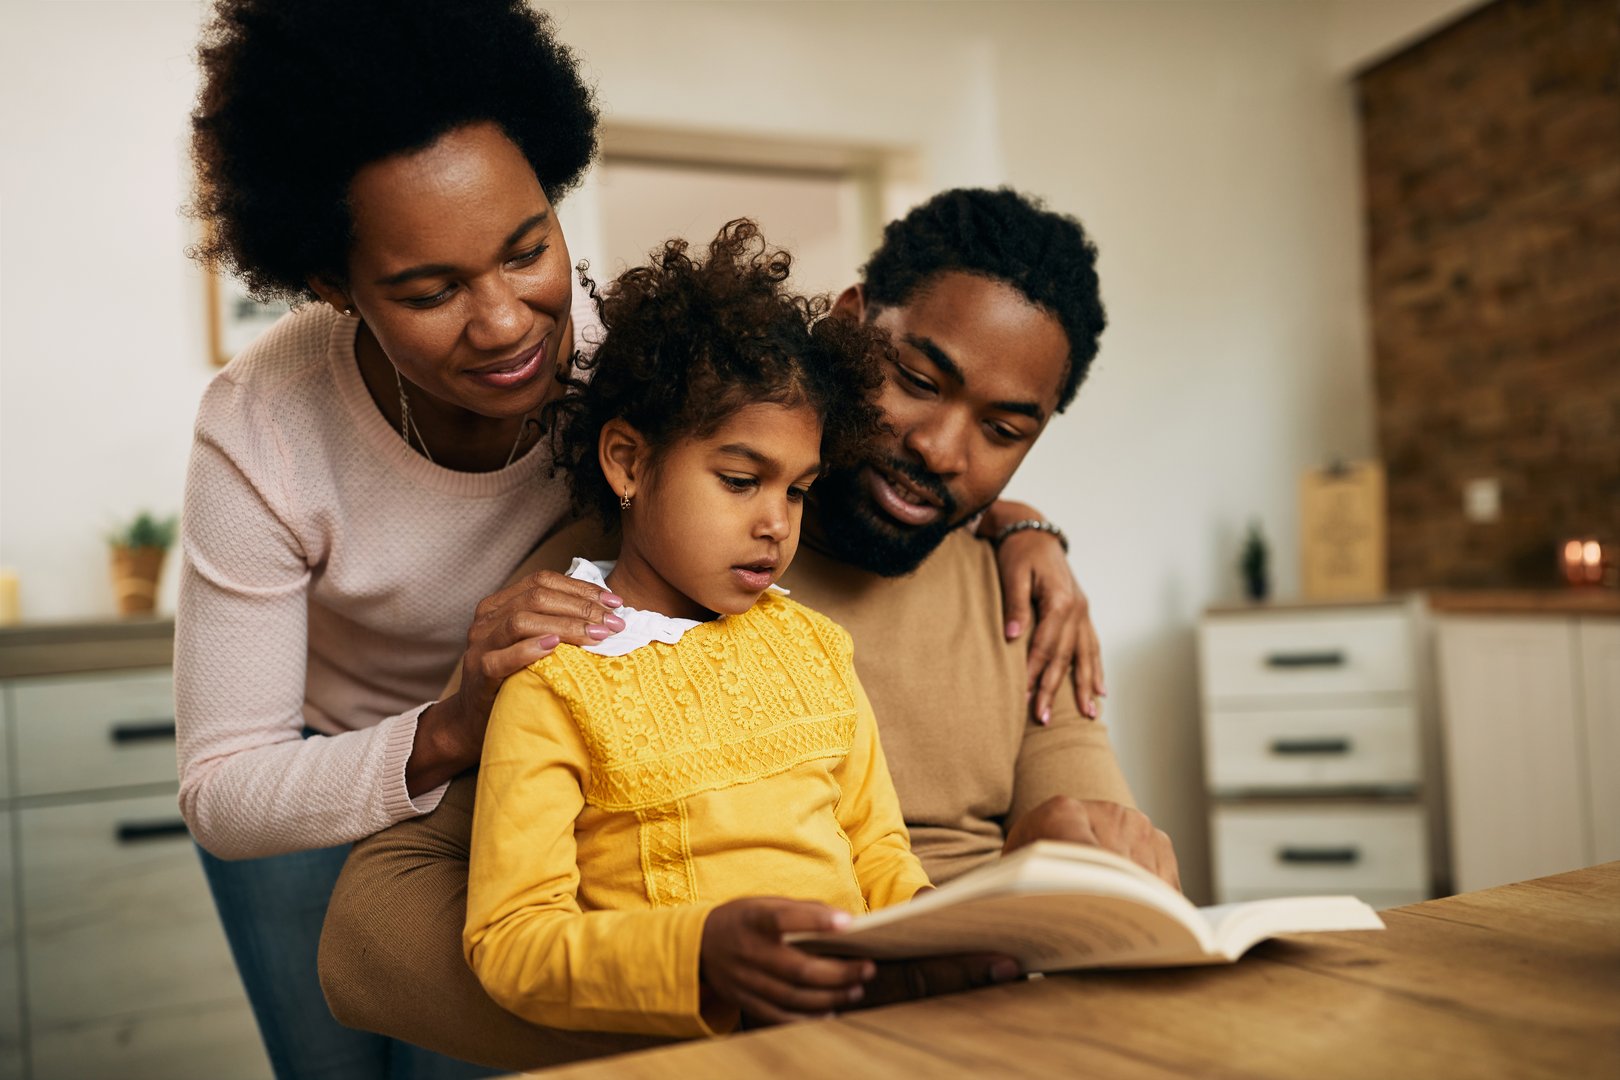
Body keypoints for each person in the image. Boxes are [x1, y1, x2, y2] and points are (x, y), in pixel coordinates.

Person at [178, 2, 1094, 1075]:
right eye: (430, 291)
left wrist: (1024, 527)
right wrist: (449, 726)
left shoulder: (640, 362)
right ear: (334, 285)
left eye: (528, 251)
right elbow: (226, 789)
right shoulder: (265, 431)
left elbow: (841, 436)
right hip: (334, 777)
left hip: (533, 763)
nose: (510, 322)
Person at [318, 188, 1180, 1072]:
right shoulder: (603, 591)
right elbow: (372, 934)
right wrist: (725, 1011)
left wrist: (1092, 882)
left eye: (1003, 429)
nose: (943, 449)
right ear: (850, 330)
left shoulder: (1018, 597)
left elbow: (1083, 837)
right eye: (917, 381)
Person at [467, 219, 933, 1037]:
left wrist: (941, 938)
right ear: (628, 462)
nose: (775, 525)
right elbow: (511, 943)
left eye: (796, 491)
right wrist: (697, 955)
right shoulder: (555, 680)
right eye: (741, 480)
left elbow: (880, 852)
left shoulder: (817, 650)